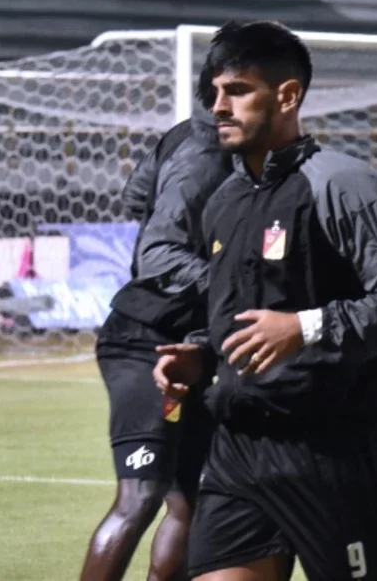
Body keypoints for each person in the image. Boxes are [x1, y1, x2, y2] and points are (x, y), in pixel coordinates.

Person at [152, 21, 377, 581]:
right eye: (214, 94)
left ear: (287, 95)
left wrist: (305, 327)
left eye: (237, 91)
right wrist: (204, 356)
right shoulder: (224, 201)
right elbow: (243, 320)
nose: (218, 107)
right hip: (237, 446)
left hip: (330, 450)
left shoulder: (343, 185)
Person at [80, 64, 233, 581]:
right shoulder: (205, 158)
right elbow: (157, 255)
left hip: (191, 341)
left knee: (192, 499)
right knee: (141, 495)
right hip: (145, 339)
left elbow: (133, 195)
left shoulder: (184, 138)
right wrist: (230, 280)